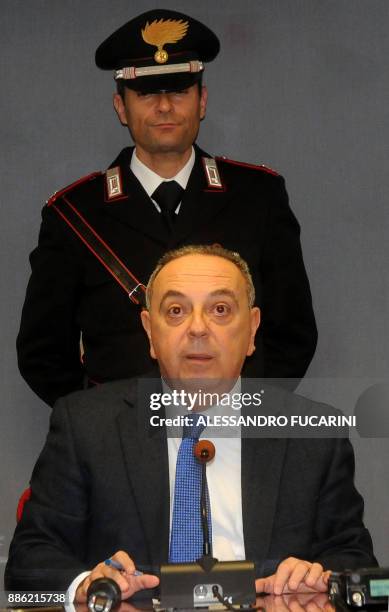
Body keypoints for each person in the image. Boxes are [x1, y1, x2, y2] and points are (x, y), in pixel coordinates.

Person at [6, 245, 375, 601]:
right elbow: (27, 568)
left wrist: (318, 577)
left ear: (252, 330)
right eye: (176, 311)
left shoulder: (312, 433)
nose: (198, 328)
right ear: (150, 332)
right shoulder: (86, 426)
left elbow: (355, 561)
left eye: (220, 309)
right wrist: (87, 584)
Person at [16, 8, 317, 407]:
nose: (163, 107)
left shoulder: (258, 197)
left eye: (178, 90)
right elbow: (43, 351)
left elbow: (292, 333)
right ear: (121, 108)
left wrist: (244, 414)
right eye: (146, 94)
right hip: (118, 450)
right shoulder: (75, 214)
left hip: (232, 437)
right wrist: (97, 425)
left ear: (202, 101)